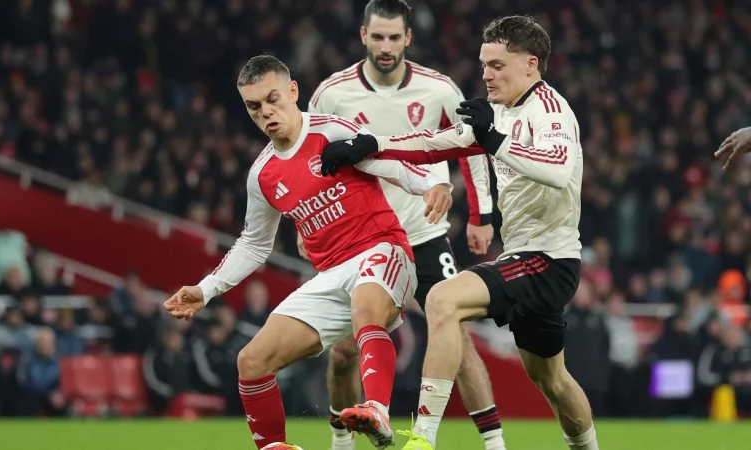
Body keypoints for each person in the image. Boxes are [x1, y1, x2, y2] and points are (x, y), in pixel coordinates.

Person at [320, 15, 600, 450]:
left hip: (550, 259)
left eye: (498, 65)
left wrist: (493, 139)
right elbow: (435, 142)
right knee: (553, 380)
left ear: (531, 65)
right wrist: (371, 146)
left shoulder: (550, 110)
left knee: (442, 299)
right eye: (484, 63)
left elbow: (559, 172)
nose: (486, 74)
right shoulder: (499, 112)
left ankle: (423, 438)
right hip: (527, 256)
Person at [163, 54, 454, 450]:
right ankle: (275, 447)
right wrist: (207, 288)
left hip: (383, 249)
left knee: (365, 311)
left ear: (293, 91)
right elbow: (254, 243)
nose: (266, 112)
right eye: (254, 106)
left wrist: (433, 185)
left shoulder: (330, 131)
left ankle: (377, 410)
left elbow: (388, 162)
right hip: (331, 274)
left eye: (273, 99)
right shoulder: (262, 174)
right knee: (251, 362)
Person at [305, 1, 505, 449]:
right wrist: (307, 226)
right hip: (358, 240)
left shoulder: (439, 90)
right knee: (342, 352)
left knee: (457, 336)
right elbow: (310, 163)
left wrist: (480, 215)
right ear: (363, 36)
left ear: (408, 38)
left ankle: (495, 445)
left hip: (424, 233)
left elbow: (471, 147)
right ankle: (342, 443)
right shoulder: (332, 94)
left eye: (394, 37)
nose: (386, 46)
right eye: (378, 37)